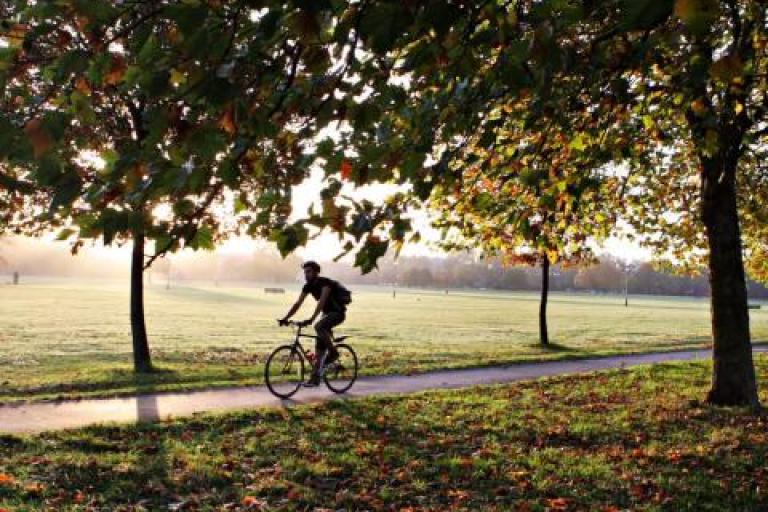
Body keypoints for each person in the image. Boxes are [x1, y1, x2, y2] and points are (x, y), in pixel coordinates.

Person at [278, 261, 346, 386]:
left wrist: (312, 319)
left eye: (308, 271)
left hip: (337, 313)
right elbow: (298, 304)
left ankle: (333, 353)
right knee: (319, 349)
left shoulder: (325, 283)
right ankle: (315, 379)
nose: (306, 274)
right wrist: (285, 318)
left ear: (316, 272)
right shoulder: (308, 286)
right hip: (326, 315)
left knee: (318, 326)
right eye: (305, 272)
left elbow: (322, 302)